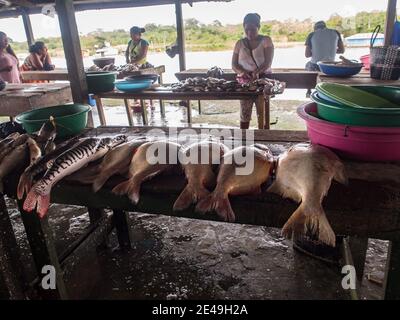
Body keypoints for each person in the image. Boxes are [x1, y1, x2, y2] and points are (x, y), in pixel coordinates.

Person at [232, 13, 274, 129]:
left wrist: (257, 72)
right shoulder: (239, 43)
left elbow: (268, 63)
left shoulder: (266, 40)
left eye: (253, 29)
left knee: (263, 114)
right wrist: (242, 72)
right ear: (244, 28)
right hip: (245, 83)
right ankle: (245, 138)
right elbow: (234, 65)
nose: (250, 32)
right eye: (247, 29)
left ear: (258, 27)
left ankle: (264, 139)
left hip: (262, 83)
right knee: (244, 114)